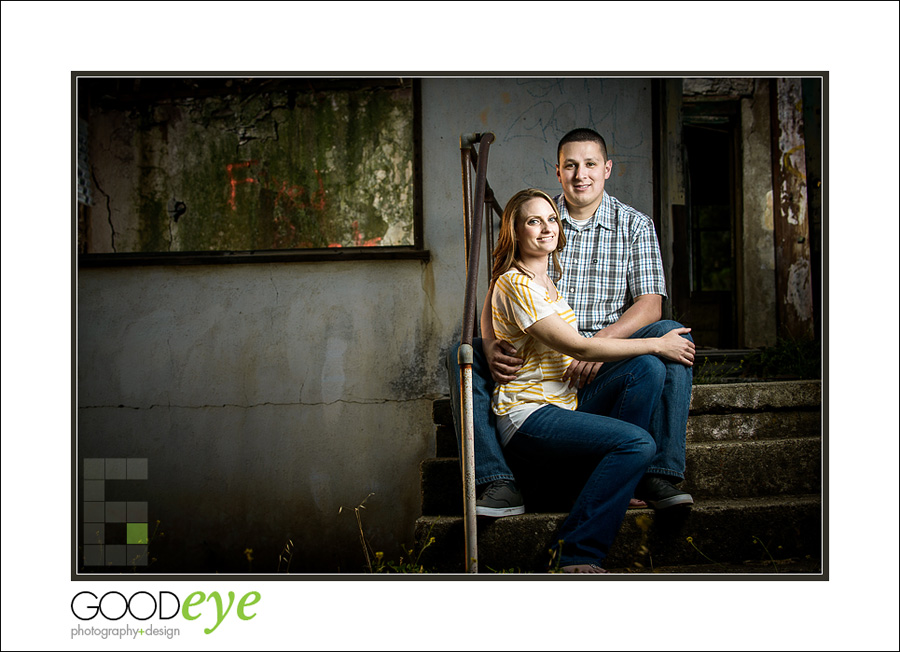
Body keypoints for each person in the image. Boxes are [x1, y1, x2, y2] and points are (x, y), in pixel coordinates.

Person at [448, 127, 695, 516]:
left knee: (668, 334)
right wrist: (491, 338)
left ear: (607, 169)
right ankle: (496, 479)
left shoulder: (635, 225)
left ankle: (657, 470)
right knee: (463, 353)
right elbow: (500, 282)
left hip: (609, 351)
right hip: (545, 349)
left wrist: (599, 346)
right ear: (558, 172)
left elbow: (650, 306)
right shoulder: (540, 215)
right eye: (571, 165)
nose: (581, 174)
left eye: (591, 164)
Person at [482, 188, 694, 572]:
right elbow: (580, 349)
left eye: (550, 219)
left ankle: (617, 481)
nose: (546, 228)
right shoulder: (515, 283)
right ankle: (576, 552)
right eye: (533, 221)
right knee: (637, 442)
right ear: (515, 231)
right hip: (529, 415)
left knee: (645, 371)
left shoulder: (548, 283)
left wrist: (652, 352)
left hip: (565, 404)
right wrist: (657, 344)